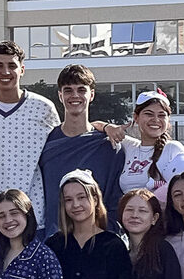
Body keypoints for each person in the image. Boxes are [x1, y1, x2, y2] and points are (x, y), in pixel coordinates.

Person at [0, 41, 60, 231]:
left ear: (22, 69)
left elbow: (64, 142)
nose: (5, 72)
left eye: (12, 66)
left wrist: (101, 126)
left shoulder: (43, 108)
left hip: (31, 215)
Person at [38, 65, 123, 238]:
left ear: (91, 95)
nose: (75, 96)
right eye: (68, 90)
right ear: (60, 96)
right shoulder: (45, 143)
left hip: (96, 243)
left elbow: (114, 203)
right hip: (54, 241)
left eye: (81, 90)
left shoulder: (109, 147)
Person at [118, 90, 184, 200]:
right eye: (149, 114)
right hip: (129, 215)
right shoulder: (129, 147)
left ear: (168, 120)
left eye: (161, 115)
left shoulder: (173, 149)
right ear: (136, 117)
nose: (156, 120)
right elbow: (94, 126)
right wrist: (108, 127)